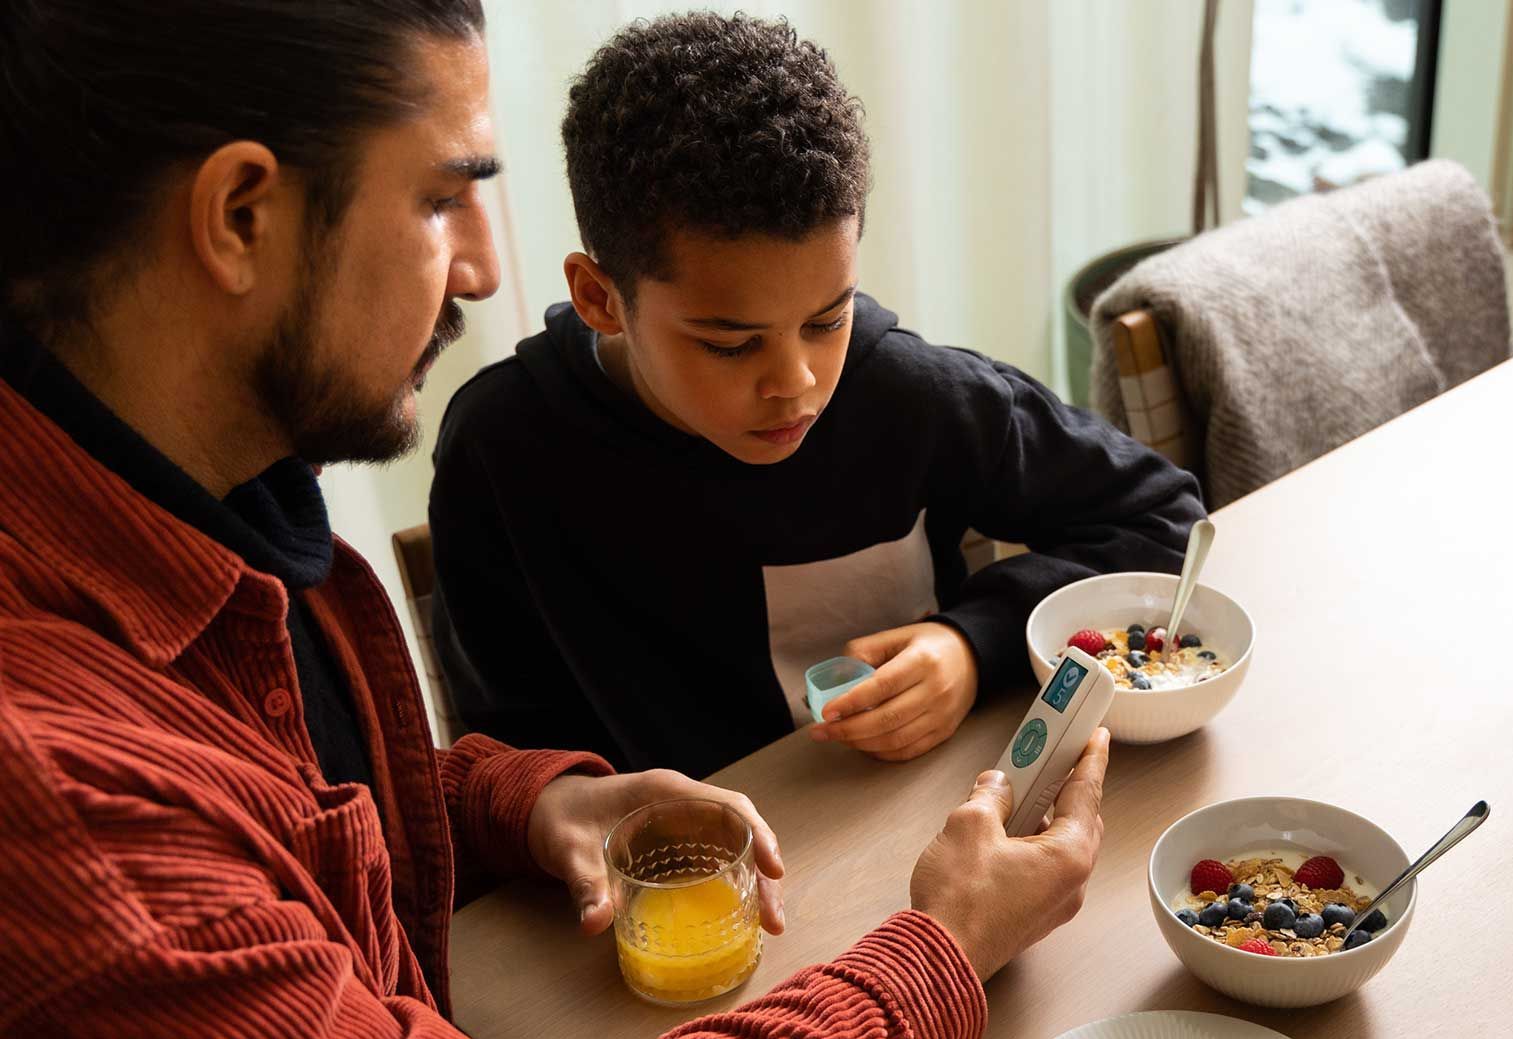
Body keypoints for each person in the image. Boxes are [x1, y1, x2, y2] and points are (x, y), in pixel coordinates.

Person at [0, 4, 1108, 1039]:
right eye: (438, 200)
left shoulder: (200, 507)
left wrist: (518, 800)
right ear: (241, 214)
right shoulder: (59, 810)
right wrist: (941, 952)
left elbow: (264, 814)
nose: (479, 268)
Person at [428, 11, 1204, 778]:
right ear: (600, 299)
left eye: (829, 318)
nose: (796, 384)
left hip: (905, 822)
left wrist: (973, 641)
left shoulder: (905, 396)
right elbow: (501, 753)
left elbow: (1160, 517)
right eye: (730, 344)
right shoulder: (502, 449)